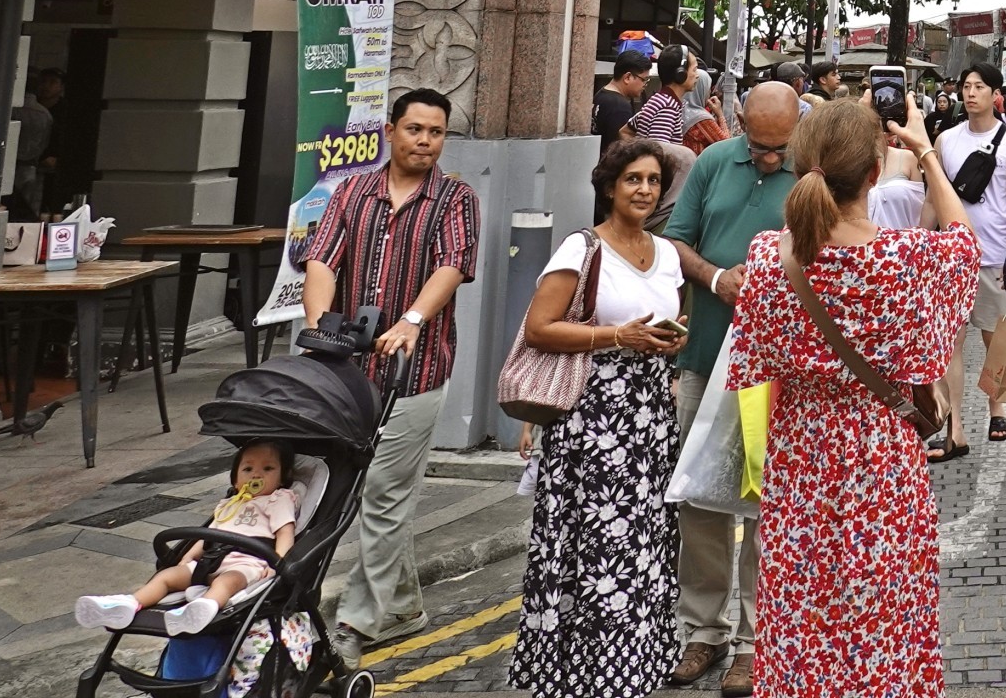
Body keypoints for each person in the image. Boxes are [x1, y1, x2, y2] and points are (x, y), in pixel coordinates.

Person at [727, 96, 977, 698]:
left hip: (800, 457)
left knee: (802, 616)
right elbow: (964, 244)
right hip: (880, 459)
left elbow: (756, 358)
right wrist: (925, 152)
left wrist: (839, 127)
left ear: (800, 166)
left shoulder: (769, 256)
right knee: (883, 619)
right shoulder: (905, 258)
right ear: (874, 173)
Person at [301, 87, 480, 651]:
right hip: (346, 372)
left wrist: (411, 320)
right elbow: (322, 259)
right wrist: (320, 325)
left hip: (415, 371)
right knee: (350, 486)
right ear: (390, 131)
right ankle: (402, 605)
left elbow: (452, 265)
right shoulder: (352, 191)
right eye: (415, 129)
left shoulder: (455, 198)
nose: (425, 141)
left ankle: (356, 621)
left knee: (382, 491)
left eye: (436, 132)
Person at [511, 138, 685, 698]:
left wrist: (669, 343)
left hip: (651, 417)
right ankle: (586, 673)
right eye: (633, 179)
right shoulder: (581, 248)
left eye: (653, 181)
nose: (644, 189)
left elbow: (670, 319)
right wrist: (616, 336)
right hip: (594, 419)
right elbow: (540, 328)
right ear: (609, 188)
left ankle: (636, 667)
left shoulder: (668, 253)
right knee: (597, 547)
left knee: (646, 543)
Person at [658, 79, 800, 693]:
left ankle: (753, 641)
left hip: (774, 371)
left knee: (764, 499)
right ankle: (704, 631)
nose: (769, 158)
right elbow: (676, 241)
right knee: (699, 499)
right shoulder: (714, 160)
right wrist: (717, 279)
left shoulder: (813, 173)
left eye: (779, 148)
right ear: (740, 122)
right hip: (704, 355)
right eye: (759, 146)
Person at [75, 438, 298, 635]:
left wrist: (277, 562)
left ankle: (202, 608)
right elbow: (209, 534)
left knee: (226, 582)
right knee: (166, 576)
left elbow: (285, 532)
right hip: (210, 560)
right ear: (235, 481)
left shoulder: (278, 499)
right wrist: (188, 557)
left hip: (248, 562)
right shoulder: (229, 504)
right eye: (248, 469)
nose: (257, 475)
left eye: (268, 468)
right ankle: (129, 604)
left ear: (282, 477)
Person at [938, 64, 1006, 449]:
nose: (970, 92)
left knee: (999, 339)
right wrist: (923, 245)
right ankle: (954, 426)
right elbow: (933, 198)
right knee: (950, 344)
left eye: (979, 86)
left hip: (995, 255)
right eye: (966, 86)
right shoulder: (945, 140)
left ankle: (997, 407)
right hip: (953, 258)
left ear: (996, 94)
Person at [14, 67, 65, 215]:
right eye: (43, 81)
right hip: (33, 166)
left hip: (39, 167)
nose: (46, 86)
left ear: (61, 87)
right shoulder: (44, 114)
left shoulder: (61, 112)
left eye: (52, 82)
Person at [630, 44, 699, 143]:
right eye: (694, 69)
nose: (697, 75)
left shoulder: (659, 100)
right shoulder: (668, 107)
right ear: (680, 73)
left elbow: (625, 131)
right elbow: (658, 149)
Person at [594, 51, 653, 149]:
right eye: (644, 79)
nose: (645, 85)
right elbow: (621, 150)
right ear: (627, 77)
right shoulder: (620, 107)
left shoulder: (600, 95)